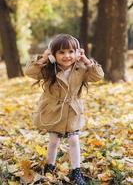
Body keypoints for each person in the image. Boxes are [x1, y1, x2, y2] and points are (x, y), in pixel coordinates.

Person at [24, 34, 104, 185]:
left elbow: (98, 76)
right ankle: (50, 166)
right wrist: (44, 58)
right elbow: (29, 72)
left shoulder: (81, 68)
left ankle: (76, 171)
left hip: (72, 111)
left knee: (74, 140)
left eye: (70, 52)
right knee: (54, 141)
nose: (67, 56)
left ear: (77, 53)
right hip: (54, 111)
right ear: (53, 54)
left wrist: (86, 60)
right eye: (61, 52)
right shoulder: (48, 68)